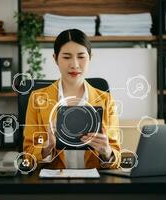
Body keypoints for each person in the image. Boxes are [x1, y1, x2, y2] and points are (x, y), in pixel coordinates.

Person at [23, 29, 121, 169]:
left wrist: (107, 152)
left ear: (90, 57)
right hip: (54, 184)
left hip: (94, 184)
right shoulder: (37, 99)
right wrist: (46, 148)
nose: (74, 64)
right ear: (55, 58)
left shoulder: (106, 100)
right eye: (67, 57)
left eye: (81, 57)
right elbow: (27, 156)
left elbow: (116, 158)